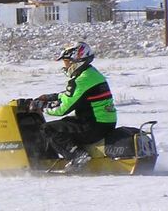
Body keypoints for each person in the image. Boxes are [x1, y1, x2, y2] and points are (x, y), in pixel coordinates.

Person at [31, 41, 117, 171]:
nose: (65, 66)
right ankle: (73, 153)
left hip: (95, 125)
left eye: (66, 61)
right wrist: (51, 97)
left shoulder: (81, 80)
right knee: (66, 123)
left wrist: (41, 106)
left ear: (77, 60)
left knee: (48, 129)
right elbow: (72, 96)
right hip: (104, 122)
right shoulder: (91, 73)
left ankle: (77, 156)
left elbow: (62, 109)